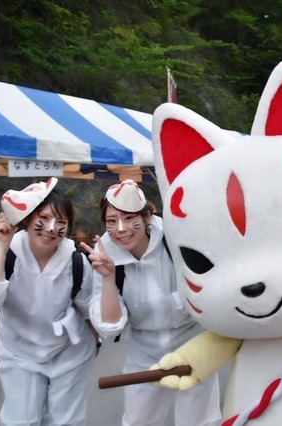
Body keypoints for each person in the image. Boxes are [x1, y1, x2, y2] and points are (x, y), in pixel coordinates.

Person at [81, 180, 221, 426]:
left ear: (147, 216)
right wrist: (108, 278)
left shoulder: (176, 239)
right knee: (140, 420)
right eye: (112, 221)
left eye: (128, 218)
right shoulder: (104, 256)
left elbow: (211, 286)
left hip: (192, 344)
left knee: (200, 420)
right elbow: (110, 326)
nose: (121, 229)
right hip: (142, 352)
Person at [0, 178, 97, 426]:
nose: (51, 228)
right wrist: (2, 246)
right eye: (43, 219)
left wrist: (97, 336)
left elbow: (89, 307)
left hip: (69, 352)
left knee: (66, 421)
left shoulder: (76, 261)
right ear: (27, 219)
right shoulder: (7, 252)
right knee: (20, 420)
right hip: (18, 352)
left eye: (61, 222)